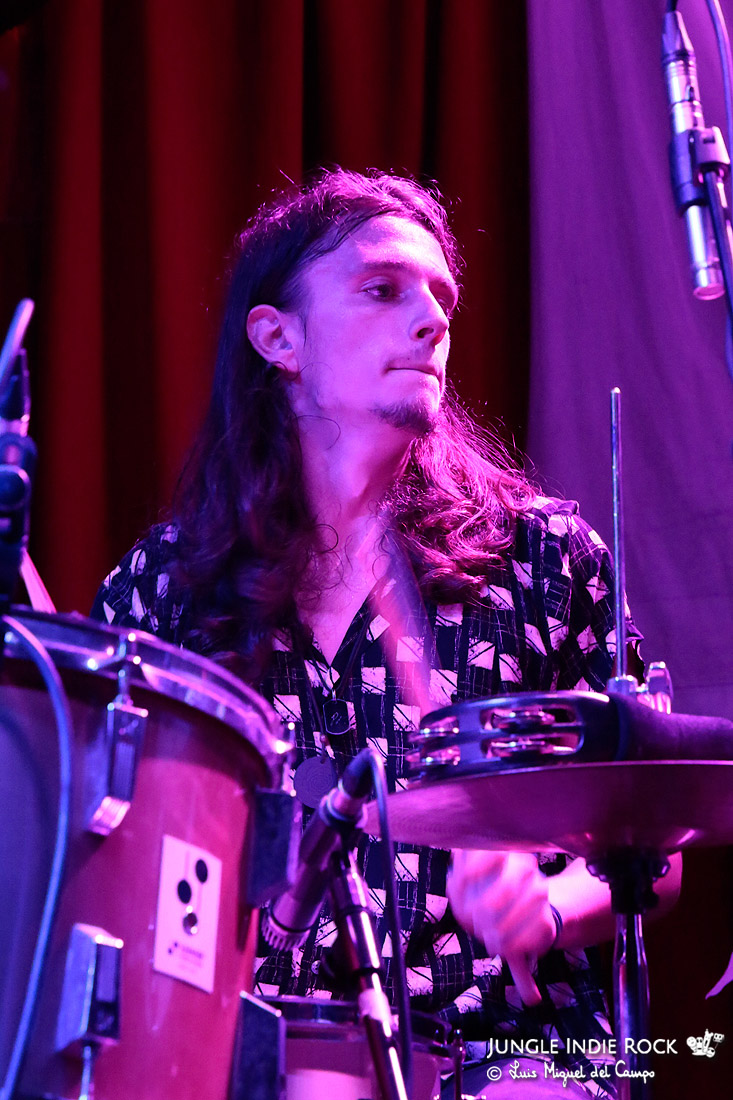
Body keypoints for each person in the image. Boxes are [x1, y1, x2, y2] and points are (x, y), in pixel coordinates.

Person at [92, 168, 681, 1098]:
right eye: (381, 289)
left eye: (441, 297)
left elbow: (656, 848)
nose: (432, 318)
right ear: (277, 338)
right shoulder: (164, 593)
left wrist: (546, 908)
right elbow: (105, 871)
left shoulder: (544, 561)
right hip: (254, 1055)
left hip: (508, 1051)